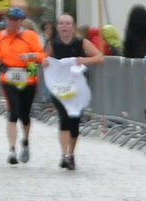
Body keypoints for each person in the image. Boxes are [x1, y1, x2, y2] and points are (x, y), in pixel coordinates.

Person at [42, 11, 106, 170]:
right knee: (63, 117)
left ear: (73, 27)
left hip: (76, 87)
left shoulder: (80, 42)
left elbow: (100, 57)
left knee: (74, 120)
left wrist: (84, 60)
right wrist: (44, 62)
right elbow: (44, 58)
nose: (64, 26)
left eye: (68, 23)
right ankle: (64, 154)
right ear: (57, 27)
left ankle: (71, 153)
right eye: (61, 23)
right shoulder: (53, 43)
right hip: (59, 87)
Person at [0, 6, 44, 165]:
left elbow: (41, 55)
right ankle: (12, 149)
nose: (11, 23)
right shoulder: (1, 35)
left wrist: (29, 55)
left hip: (27, 78)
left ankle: (26, 141)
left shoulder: (30, 36)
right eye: (9, 19)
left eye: (15, 20)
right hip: (8, 78)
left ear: (21, 21)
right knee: (13, 111)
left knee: (25, 114)